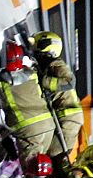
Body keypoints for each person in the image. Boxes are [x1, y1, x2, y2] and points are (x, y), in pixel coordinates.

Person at [0, 41, 55, 170]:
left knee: (30, 165)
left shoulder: (3, 80)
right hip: (46, 124)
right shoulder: (32, 74)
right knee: (36, 163)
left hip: (31, 128)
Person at [28, 31, 84, 163]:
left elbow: (69, 82)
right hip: (62, 116)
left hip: (69, 118)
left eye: (37, 44)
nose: (34, 48)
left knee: (54, 156)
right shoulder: (43, 66)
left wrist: (44, 81)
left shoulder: (57, 64)